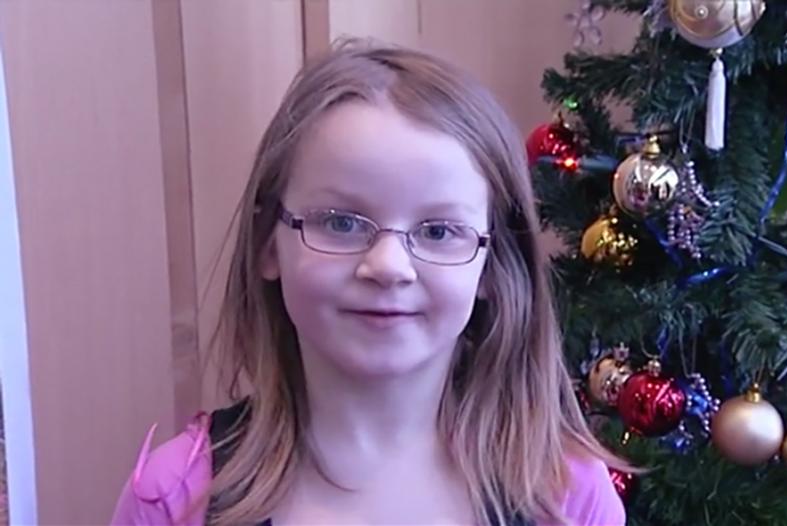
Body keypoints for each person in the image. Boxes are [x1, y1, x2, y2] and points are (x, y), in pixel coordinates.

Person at [110, 40, 627, 526]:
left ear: (493, 266)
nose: (388, 266)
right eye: (341, 222)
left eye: (439, 231)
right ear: (269, 243)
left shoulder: (566, 496)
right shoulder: (176, 494)